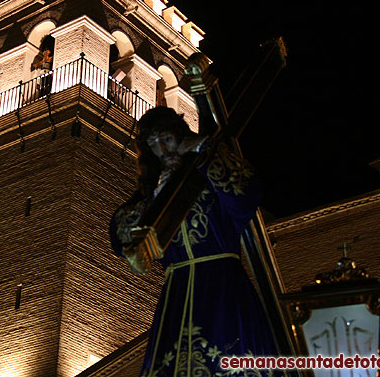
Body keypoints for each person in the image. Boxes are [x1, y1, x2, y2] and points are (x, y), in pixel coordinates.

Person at [110, 106, 279, 376]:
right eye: (153, 144)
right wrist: (157, 195)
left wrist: (206, 151)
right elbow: (121, 234)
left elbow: (245, 192)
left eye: (166, 139)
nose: (162, 149)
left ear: (180, 137)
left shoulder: (207, 174)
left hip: (222, 284)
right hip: (178, 288)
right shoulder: (153, 192)